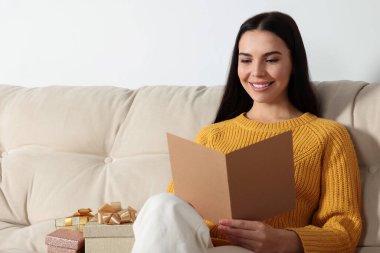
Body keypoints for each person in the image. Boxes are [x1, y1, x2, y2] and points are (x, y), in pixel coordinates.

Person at [131, 11, 362, 253]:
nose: (257, 71)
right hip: (199, 247)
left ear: (294, 64)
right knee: (162, 204)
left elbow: (344, 230)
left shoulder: (327, 135)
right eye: (246, 60)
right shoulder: (212, 135)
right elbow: (168, 219)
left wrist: (285, 240)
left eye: (271, 60)